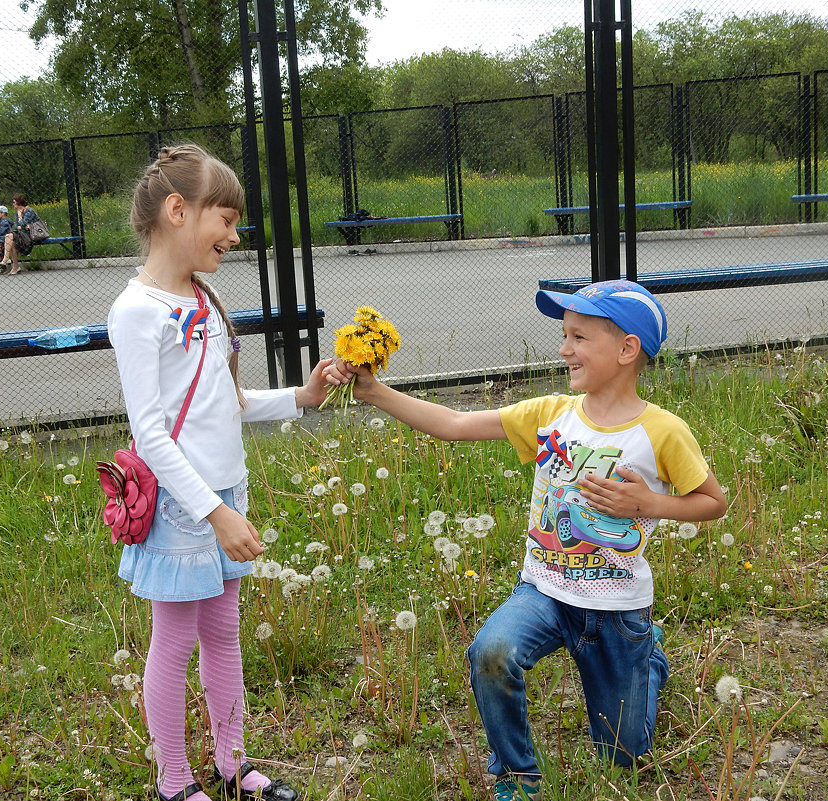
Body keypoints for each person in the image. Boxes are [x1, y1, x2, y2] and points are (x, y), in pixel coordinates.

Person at [324, 280, 727, 799]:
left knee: (622, 756)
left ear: (628, 349)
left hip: (617, 608)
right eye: (565, 335)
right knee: (490, 652)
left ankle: (647, 658)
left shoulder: (662, 431)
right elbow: (453, 423)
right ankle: (516, 773)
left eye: (579, 337)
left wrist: (648, 504)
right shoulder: (549, 415)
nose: (564, 349)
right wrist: (374, 392)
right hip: (544, 590)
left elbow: (712, 502)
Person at [107, 144, 330, 801]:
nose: (234, 235)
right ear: (178, 211)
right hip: (186, 506)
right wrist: (214, 510)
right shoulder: (138, 311)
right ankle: (174, 781)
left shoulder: (202, 297)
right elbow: (151, 432)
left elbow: (223, 404)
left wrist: (301, 397)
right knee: (173, 643)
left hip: (222, 493)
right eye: (225, 220)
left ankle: (231, 763)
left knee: (222, 634)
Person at [0, 192, 40, 275]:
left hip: (30, 235)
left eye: (14, 202)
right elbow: (16, 226)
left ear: (19, 202)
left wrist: (20, 218)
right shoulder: (16, 212)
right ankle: (15, 267)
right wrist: (21, 225)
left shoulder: (29, 211)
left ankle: (6, 259)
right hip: (21, 234)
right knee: (11, 240)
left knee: (9, 236)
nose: (13, 204)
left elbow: (23, 224)